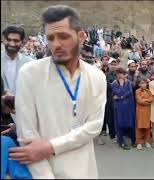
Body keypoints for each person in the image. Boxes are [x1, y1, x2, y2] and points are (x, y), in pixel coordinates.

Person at [10, 5, 107, 178]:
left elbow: (94, 126)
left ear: (81, 37)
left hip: (86, 171)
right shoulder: (30, 74)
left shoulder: (97, 76)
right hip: (45, 173)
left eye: (63, 37)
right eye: (51, 38)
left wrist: (51, 147)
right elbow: (28, 137)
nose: (56, 44)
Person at [1, 26, 34, 137]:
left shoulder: (31, 63)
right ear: (3, 39)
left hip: (23, 116)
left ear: (22, 42)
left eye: (16, 40)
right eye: (9, 39)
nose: (12, 43)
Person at [111, 67, 135, 150]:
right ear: (118, 75)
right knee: (119, 124)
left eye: (124, 74)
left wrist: (120, 96)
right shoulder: (114, 83)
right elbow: (118, 92)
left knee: (130, 123)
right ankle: (121, 142)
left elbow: (129, 92)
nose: (124, 75)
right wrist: (121, 86)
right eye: (122, 74)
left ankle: (133, 140)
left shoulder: (128, 82)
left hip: (128, 106)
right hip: (118, 107)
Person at [135, 79, 153, 150]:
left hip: (148, 111)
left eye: (145, 83)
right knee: (139, 127)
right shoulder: (137, 91)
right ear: (139, 84)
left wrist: (145, 100)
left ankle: (147, 141)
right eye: (142, 83)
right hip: (140, 111)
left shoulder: (148, 91)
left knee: (147, 127)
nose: (144, 84)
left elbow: (151, 99)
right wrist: (147, 101)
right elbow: (140, 101)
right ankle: (138, 143)